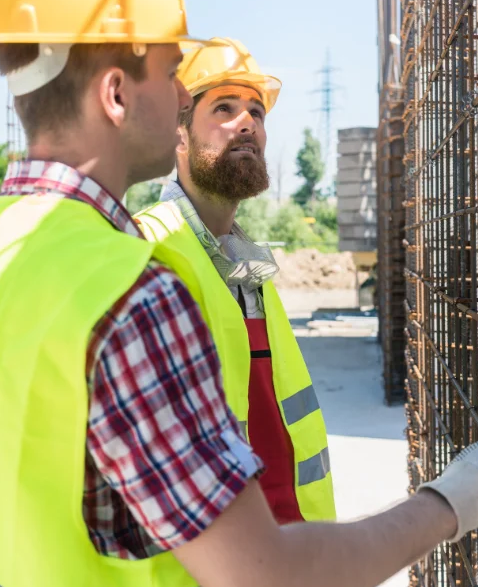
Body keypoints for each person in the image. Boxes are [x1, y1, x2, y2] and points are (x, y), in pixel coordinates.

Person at [0, 0, 478, 587]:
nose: (181, 97)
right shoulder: (128, 287)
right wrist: (453, 503)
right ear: (117, 94)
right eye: (170, 74)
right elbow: (260, 577)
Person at [135, 39, 335, 525]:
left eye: (256, 113)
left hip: (295, 549)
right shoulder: (144, 249)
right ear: (177, 134)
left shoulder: (251, 267)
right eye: (223, 108)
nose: (247, 123)